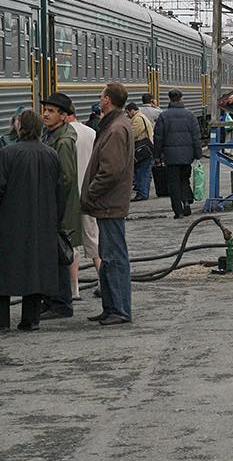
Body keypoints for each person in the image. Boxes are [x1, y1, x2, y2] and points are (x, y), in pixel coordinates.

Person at [0, 110, 64, 332]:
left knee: (4, 271)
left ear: (20, 127)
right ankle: (31, 319)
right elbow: (60, 190)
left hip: (10, 222)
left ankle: (2, 321)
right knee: (36, 268)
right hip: (43, 222)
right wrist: (56, 220)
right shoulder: (51, 154)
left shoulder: (7, 153)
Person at [82, 82, 135, 326]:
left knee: (114, 257)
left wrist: (90, 192)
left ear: (107, 100)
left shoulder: (115, 129)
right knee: (108, 256)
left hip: (109, 203)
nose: (99, 98)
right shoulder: (116, 125)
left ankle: (120, 309)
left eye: (101, 95)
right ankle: (111, 307)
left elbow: (110, 171)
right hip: (108, 203)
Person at [39, 93, 82, 320]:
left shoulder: (63, 142)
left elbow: (65, 178)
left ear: (64, 116)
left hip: (58, 208)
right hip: (54, 206)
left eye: (51, 111)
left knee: (58, 255)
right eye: (45, 110)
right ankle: (51, 300)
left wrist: (54, 208)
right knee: (52, 254)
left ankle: (61, 303)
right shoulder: (51, 135)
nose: (45, 114)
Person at [153, 89, 202, 220]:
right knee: (184, 179)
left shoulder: (163, 116)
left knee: (173, 184)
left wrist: (157, 155)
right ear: (181, 98)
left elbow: (158, 138)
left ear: (169, 99)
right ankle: (186, 201)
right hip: (187, 156)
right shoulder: (190, 115)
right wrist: (198, 154)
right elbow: (196, 137)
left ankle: (178, 211)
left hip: (170, 157)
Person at [67, 105, 100, 294]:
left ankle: (75, 290)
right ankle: (103, 282)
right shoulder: (91, 133)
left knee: (71, 244)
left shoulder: (63, 135)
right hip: (90, 193)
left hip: (70, 197)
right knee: (94, 239)